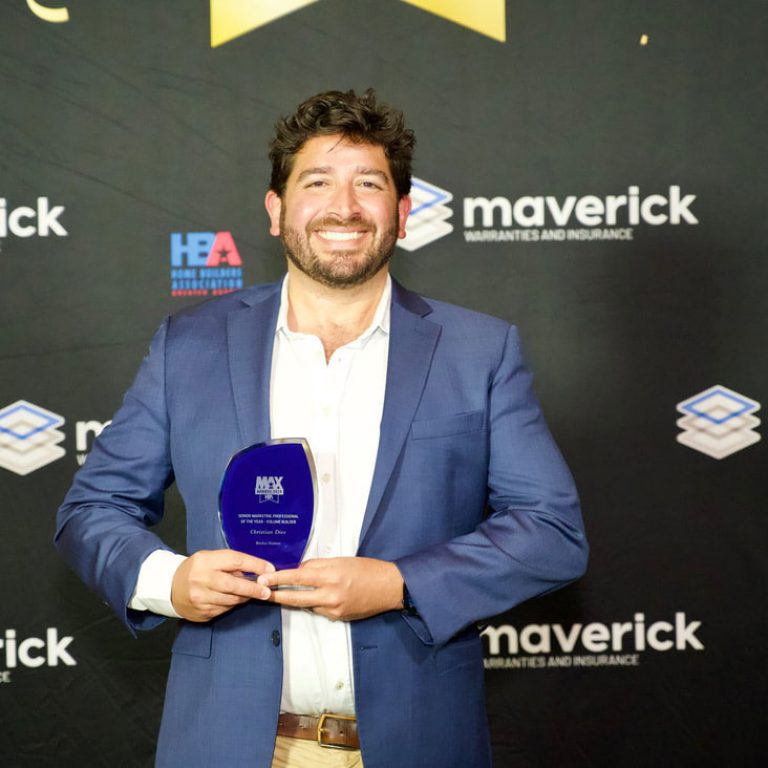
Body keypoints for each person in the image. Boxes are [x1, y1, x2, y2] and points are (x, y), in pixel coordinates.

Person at [55, 89, 588, 768]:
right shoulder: (190, 346)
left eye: (369, 183)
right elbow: (92, 509)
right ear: (275, 210)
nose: (344, 206)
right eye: (317, 182)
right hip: (229, 744)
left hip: (418, 743)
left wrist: (399, 584)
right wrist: (171, 581)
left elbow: (552, 532)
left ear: (402, 212)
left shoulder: (478, 351)